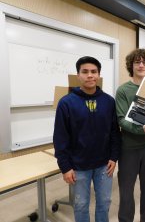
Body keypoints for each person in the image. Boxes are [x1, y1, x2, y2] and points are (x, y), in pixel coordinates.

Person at [53, 56, 121, 222]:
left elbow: (114, 132)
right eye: (85, 72)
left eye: (93, 71)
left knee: (104, 202)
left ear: (98, 75)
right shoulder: (66, 103)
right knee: (81, 205)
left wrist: (114, 156)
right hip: (78, 167)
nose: (90, 75)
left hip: (104, 165)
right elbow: (60, 138)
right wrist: (65, 167)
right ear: (78, 75)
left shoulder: (109, 101)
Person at [115, 48, 145, 222]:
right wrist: (140, 129)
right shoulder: (123, 91)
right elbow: (121, 120)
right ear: (131, 65)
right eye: (137, 62)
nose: (141, 65)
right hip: (129, 148)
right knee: (126, 191)